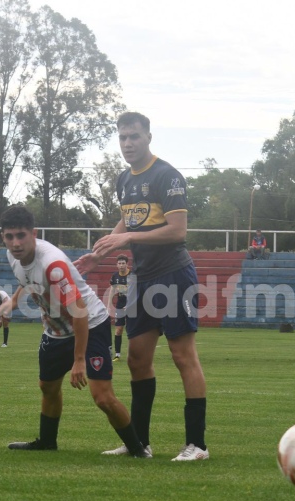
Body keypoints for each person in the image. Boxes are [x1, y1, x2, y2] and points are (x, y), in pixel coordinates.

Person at [75, 111, 210, 462]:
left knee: (183, 356)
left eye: (134, 136)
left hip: (174, 275)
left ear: (148, 136)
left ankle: (197, 445)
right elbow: (129, 218)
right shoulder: (123, 180)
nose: (128, 143)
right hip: (142, 280)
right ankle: (140, 444)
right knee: (137, 360)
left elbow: (178, 230)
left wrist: (129, 237)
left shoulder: (167, 176)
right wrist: (97, 256)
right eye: (122, 138)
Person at [1, 205, 148, 457]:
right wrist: (12, 302)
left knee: (102, 397)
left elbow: (80, 311)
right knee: (47, 386)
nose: (15, 243)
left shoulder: (53, 265)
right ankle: (47, 442)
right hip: (56, 330)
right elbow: (27, 280)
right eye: (9, 236)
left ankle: (138, 450)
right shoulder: (12, 256)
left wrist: (79, 360)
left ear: (33, 234)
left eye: (21, 235)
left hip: (89, 324)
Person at [108, 254, 131, 361]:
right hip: (120, 305)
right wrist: (109, 305)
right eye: (119, 263)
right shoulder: (115, 276)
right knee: (118, 330)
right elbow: (112, 290)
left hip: (132, 305)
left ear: (127, 264)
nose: (121, 265)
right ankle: (117, 355)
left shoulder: (132, 275)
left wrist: (130, 304)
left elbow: (136, 291)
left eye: (123, 263)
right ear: (117, 265)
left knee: (132, 330)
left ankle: (133, 354)